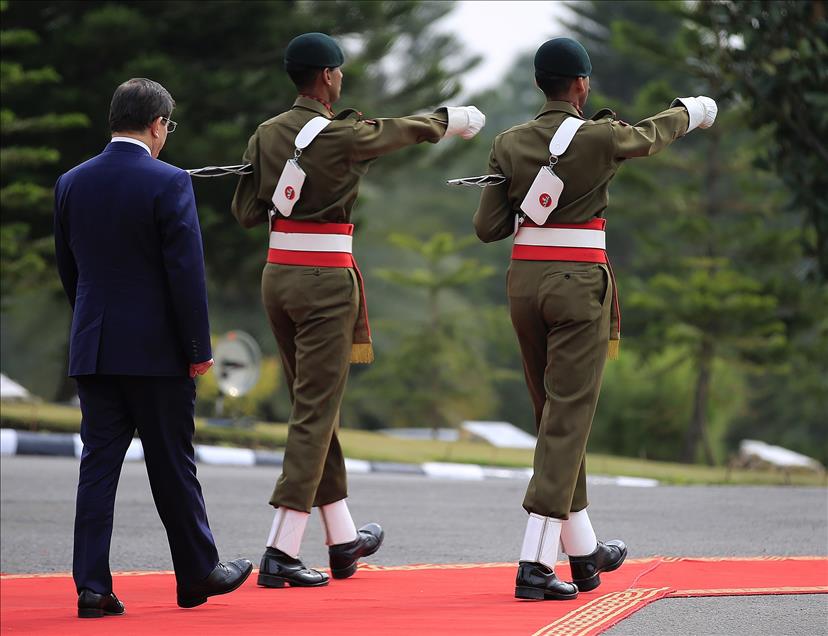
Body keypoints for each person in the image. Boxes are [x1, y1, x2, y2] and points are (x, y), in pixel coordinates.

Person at [231, 32, 485, 588]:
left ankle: (342, 539)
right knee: (315, 412)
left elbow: (249, 212)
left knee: (313, 406)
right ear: (326, 77)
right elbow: (398, 132)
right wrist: (450, 118)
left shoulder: (266, 134)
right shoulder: (341, 135)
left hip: (278, 278)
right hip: (324, 283)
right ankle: (281, 548)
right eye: (339, 71)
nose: (341, 78)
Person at [472, 38, 717, 600]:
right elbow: (652, 134)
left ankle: (582, 552)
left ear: (540, 84)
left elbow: (487, 228)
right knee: (567, 419)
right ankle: (535, 562)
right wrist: (692, 110)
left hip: (523, 285)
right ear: (581, 83)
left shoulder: (508, 143)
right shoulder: (600, 136)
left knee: (553, 417)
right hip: (577, 286)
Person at [54, 78, 252, 618]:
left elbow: (70, 272)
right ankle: (196, 574)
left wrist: (92, 327)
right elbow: (185, 272)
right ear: (158, 124)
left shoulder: (70, 182)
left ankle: (92, 588)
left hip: (94, 348)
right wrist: (197, 346)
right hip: (158, 353)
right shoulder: (170, 182)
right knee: (172, 463)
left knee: (97, 468)